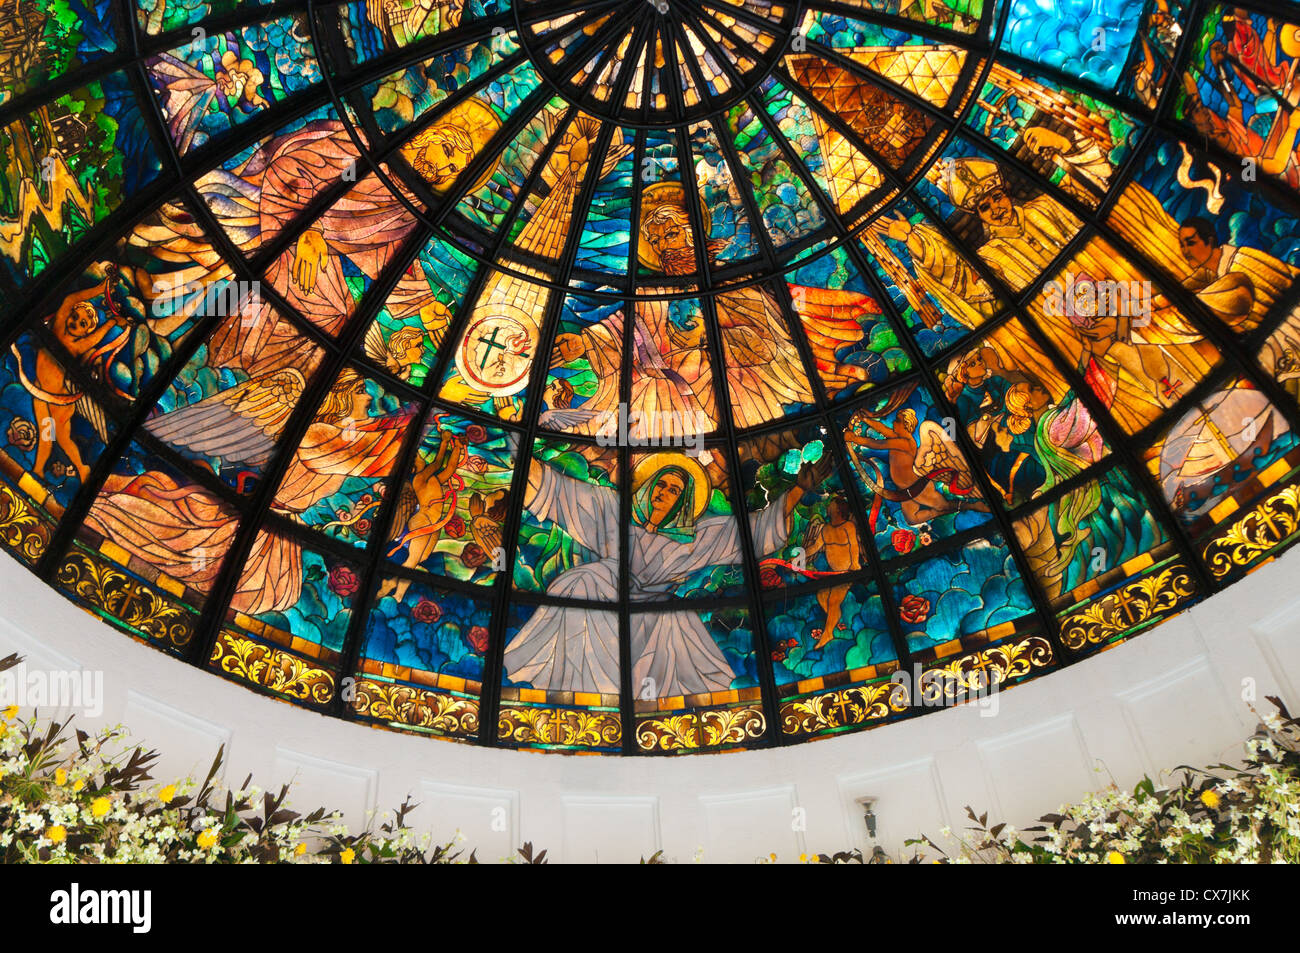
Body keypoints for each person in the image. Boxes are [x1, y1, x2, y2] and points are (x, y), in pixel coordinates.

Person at [502, 452, 817, 696]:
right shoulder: (612, 510)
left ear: (683, 500)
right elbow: (559, 492)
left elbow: (755, 530)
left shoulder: (697, 538)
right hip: (603, 593)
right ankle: (576, 686)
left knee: (672, 616)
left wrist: (799, 490)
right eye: (661, 484)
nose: (663, 491)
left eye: (674, 489)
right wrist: (522, 443)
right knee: (582, 580)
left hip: (652, 608)